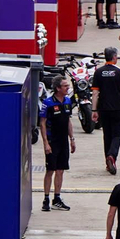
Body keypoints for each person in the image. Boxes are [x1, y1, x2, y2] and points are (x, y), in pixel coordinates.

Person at [90, 47, 120, 175]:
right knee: (117, 135)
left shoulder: (98, 72)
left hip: (103, 109)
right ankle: (112, 156)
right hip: (117, 108)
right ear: (114, 57)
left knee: (107, 135)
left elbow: (95, 93)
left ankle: (107, 161)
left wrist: (94, 110)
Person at [39, 76, 76, 212]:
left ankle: (57, 198)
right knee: (50, 170)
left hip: (63, 141)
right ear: (58, 88)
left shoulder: (67, 101)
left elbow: (68, 121)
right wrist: (45, 143)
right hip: (52, 141)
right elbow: (42, 124)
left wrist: (72, 139)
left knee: (60, 170)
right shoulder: (48, 103)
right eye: (65, 86)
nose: (68, 88)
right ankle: (46, 198)